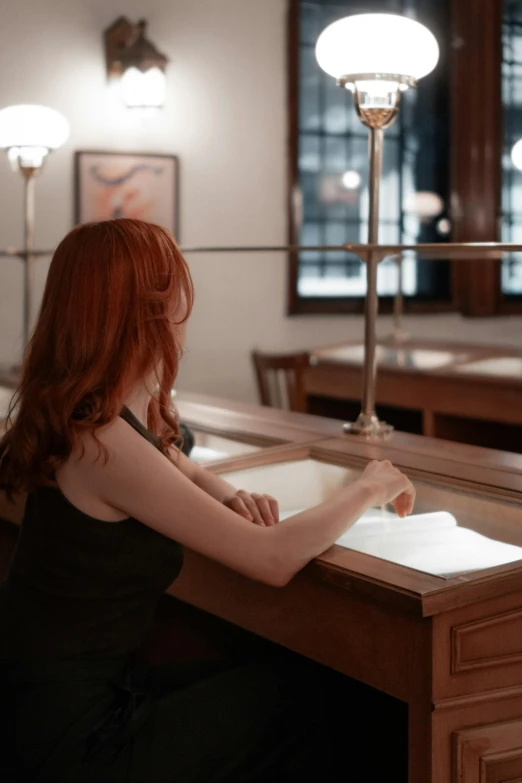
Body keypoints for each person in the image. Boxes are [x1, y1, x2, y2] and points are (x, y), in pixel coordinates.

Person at [0, 219, 414, 782]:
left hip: (45, 705)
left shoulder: (83, 416)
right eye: (174, 297)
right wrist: (371, 486)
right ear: (145, 312)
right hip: (73, 740)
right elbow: (270, 560)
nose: (182, 313)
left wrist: (222, 489)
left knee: (272, 680)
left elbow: (170, 459)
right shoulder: (103, 442)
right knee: (315, 698)